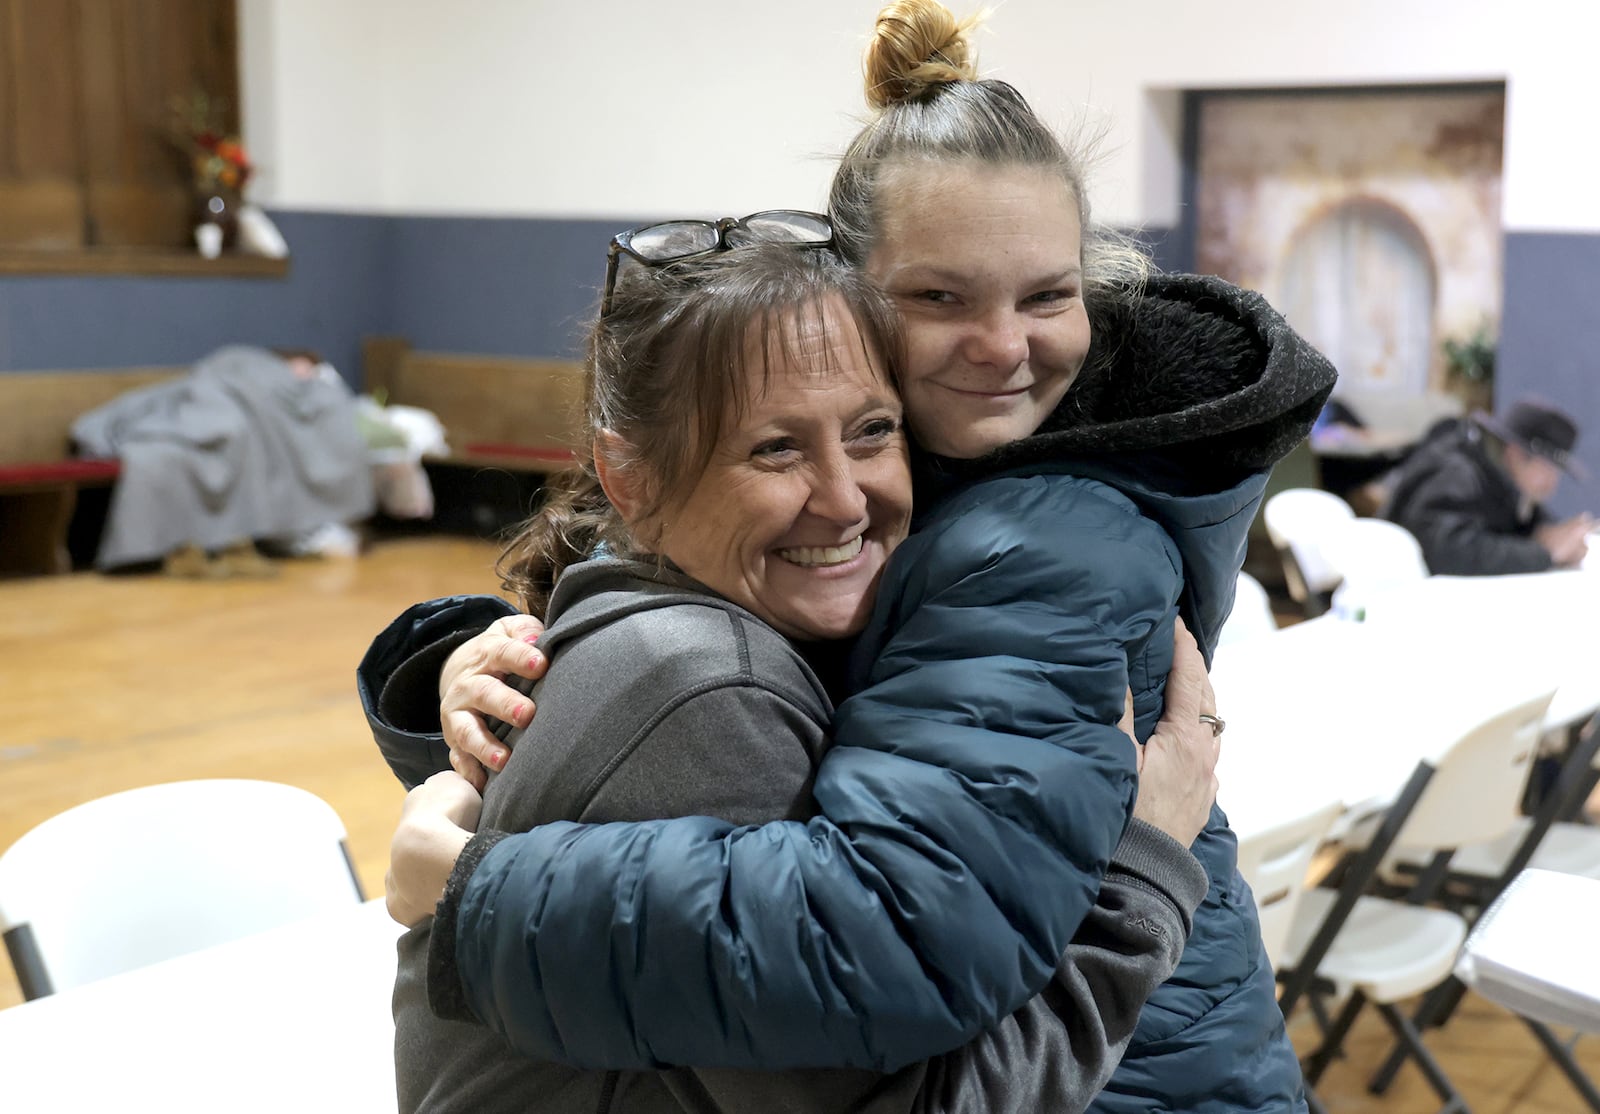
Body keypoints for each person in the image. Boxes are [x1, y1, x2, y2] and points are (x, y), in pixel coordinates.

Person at [364, 2, 1338, 1110]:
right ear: (852, 304)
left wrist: (472, 891)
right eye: (938, 297)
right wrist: (470, 677)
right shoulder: (925, 479)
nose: (1005, 344)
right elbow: (676, 669)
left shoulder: (1036, 543)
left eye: (1047, 295)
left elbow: (876, 937)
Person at [384, 240, 1221, 1113]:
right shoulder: (711, 693)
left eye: (872, 431)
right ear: (629, 478)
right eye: (776, 449)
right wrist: (1143, 875)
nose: (845, 499)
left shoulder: (681, 618)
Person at [1383, 395, 1592, 575]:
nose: (1552, 482)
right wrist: (1544, 553)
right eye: (1547, 469)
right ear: (1515, 454)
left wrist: (1557, 536)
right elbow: (1446, 551)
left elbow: (1523, 525)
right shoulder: (1458, 474)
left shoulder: (1501, 482)